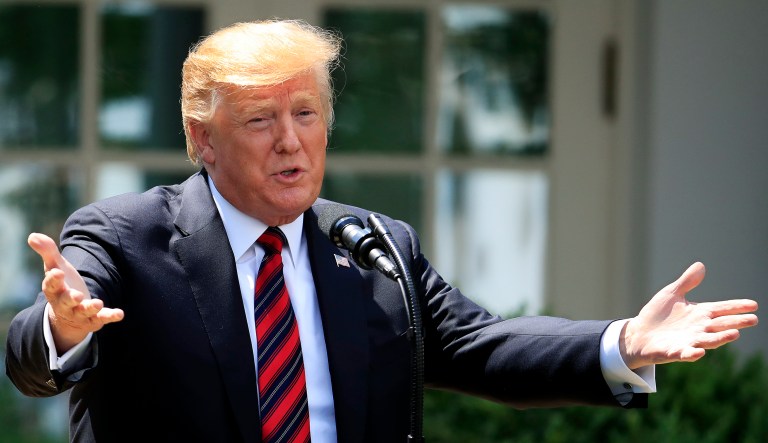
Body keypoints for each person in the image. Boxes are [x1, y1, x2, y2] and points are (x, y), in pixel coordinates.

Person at [4, 19, 758, 443]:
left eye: (306, 115)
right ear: (204, 139)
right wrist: (63, 329)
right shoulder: (124, 235)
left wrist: (620, 342)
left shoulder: (373, 245)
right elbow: (35, 355)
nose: (291, 141)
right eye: (262, 121)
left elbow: (478, 347)